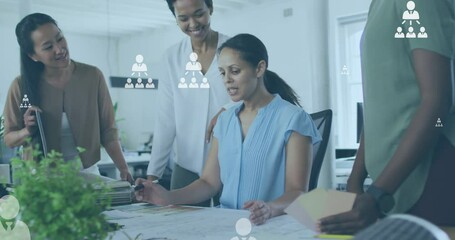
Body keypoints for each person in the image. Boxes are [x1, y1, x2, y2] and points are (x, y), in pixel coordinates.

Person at [136, 33, 322, 225]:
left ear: (259, 68)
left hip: (271, 225)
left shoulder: (293, 118)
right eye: (223, 73)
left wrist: (269, 208)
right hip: (226, 224)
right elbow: (209, 182)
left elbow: (298, 191)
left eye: (234, 71)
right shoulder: (224, 121)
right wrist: (166, 197)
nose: (227, 80)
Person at [319, 0, 455, 234]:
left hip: (431, 171)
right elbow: (378, 108)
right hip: (393, 182)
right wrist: (355, 181)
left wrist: (378, 194)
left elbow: (437, 101)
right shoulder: (378, 5)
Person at [2, 13, 133, 182]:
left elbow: (108, 131)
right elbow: (9, 139)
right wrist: (27, 131)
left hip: (88, 174)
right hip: (41, 180)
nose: (59, 49)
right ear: (33, 55)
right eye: (48, 47)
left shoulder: (92, 76)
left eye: (60, 38)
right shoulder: (20, 86)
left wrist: (123, 169)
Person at [146, 0, 233, 206]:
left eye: (199, 14)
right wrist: (153, 175)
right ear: (175, 19)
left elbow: (254, 94)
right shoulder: (171, 58)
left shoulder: (234, 49)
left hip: (230, 161)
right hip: (187, 164)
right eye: (183, 18)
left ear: (210, 8)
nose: (193, 23)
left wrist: (228, 109)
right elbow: (166, 120)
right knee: (180, 228)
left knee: (234, 229)